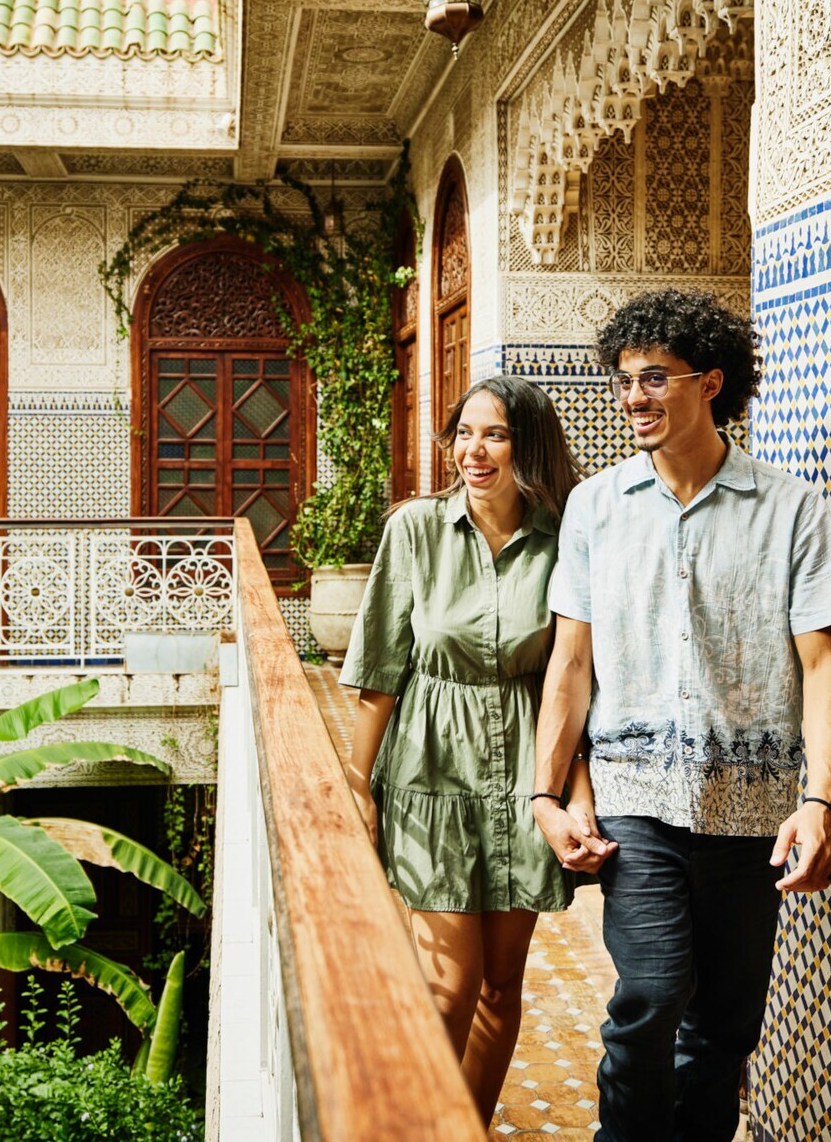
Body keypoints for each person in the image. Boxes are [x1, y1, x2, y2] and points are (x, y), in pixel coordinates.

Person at [529, 289, 831, 1141]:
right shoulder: (596, 509)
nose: (633, 397)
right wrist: (546, 793)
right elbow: (571, 661)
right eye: (623, 380)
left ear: (711, 382)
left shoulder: (790, 510)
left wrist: (820, 802)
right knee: (647, 1000)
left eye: (653, 378)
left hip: (751, 816)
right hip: (634, 804)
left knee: (725, 1028)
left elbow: (825, 668)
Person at [339, 374, 587, 1124]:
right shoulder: (414, 530)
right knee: (450, 985)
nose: (473, 452)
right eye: (464, 433)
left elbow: (572, 673)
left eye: (496, 435)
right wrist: (357, 780)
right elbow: (380, 669)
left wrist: (573, 785)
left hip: (526, 768)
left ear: (529, 447)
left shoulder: (563, 536)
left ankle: (467, 1125)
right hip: (429, 763)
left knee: (501, 986)